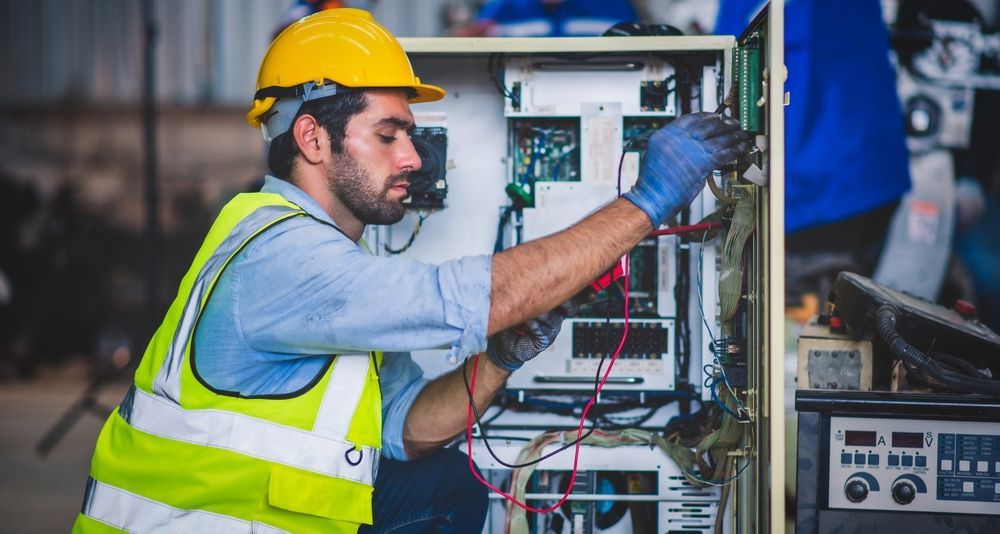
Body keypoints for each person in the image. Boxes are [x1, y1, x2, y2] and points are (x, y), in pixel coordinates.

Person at [73, 8, 746, 533]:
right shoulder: (284, 260)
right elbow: (478, 294)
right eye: (389, 134)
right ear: (312, 138)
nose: (414, 158)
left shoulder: (322, 256)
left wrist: (502, 357)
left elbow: (404, 429)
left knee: (444, 484)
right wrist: (650, 200)